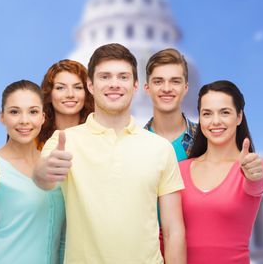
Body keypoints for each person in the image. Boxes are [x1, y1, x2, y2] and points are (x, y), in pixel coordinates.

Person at [34, 43, 186, 264]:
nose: (114, 84)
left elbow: (173, 229)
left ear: (135, 86)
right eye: (105, 77)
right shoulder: (64, 141)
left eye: (123, 77)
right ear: (91, 86)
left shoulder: (161, 148)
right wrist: (45, 170)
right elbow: (41, 178)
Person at [0, 80, 65, 264]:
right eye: (14, 112)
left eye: (33, 112)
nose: (24, 121)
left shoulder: (51, 162)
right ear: (2, 117)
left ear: (43, 117)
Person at [179, 80, 263, 264]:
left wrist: (254, 176)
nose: (215, 121)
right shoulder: (180, 169)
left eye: (225, 112)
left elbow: (257, 185)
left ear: (239, 117)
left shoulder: (252, 166)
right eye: (207, 114)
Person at [144, 48, 197, 160]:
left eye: (175, 81)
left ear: (185, 88)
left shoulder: (205, 138)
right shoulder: (135, 142)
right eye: (158, 82)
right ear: (147, 88)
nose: (167, 89)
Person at [38, 59, 94, 149]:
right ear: (49, 93)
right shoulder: (35, 138)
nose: (70, 94)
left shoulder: (99, 135)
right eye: (60, 88)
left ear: (87, 92)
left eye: (78, 87)